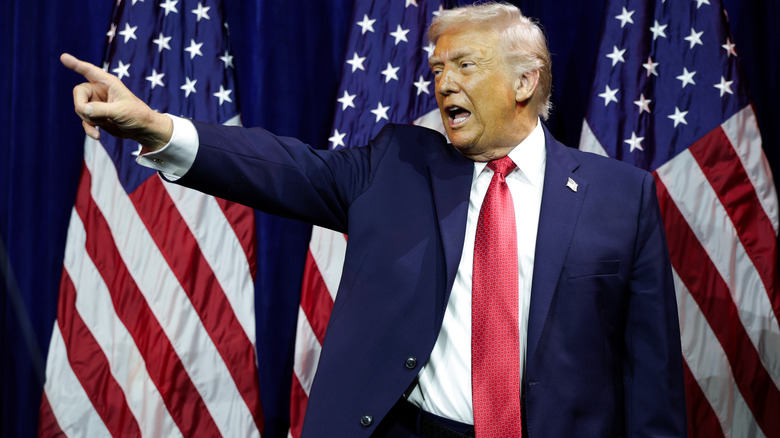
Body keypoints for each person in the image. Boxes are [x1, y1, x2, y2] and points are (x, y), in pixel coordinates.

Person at [62, 3, 686, 437]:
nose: (444, 85)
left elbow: (651, 375)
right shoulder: (398, 164)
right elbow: (284, 168)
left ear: (524, 82)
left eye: (465, 65)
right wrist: (154, 127)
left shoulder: (621, 197)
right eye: (438, 69)